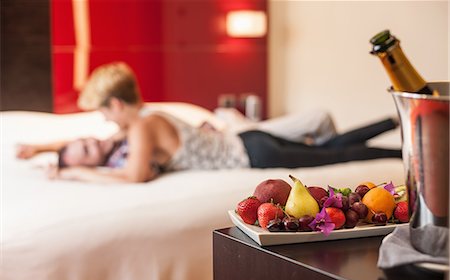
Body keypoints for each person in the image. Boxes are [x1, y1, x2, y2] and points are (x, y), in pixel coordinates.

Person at [16, 62, 401, 183]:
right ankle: (393, 122)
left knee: (334, 158)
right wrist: (42, 148)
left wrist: (78, 174)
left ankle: (401, 149)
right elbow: (94, 138)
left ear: (116, 104)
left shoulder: (140, 129)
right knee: (331, 148)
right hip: (250, 140)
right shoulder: (144, 118)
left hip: (253, 156)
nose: (103, 119)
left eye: (102, 111)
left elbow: (135, 177)